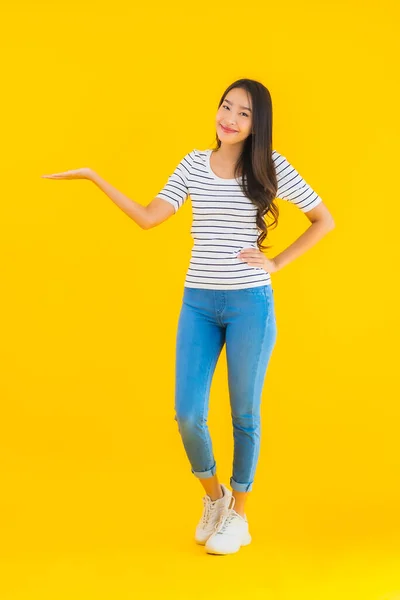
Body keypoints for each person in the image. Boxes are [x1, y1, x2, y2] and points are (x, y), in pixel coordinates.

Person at [41, 78, 335, 556]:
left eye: (243, 113)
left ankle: (239, 516)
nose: (230, 119)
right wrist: (95, 176)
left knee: (244, 415)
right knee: (188, 413)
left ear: (257, 125)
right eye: (226, 107)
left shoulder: (271, 168)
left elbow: (324, 219)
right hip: (198, 303)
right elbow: (148, 217)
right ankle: (215, 498)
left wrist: (277, 263)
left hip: (249, 305)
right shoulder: (193, 165)